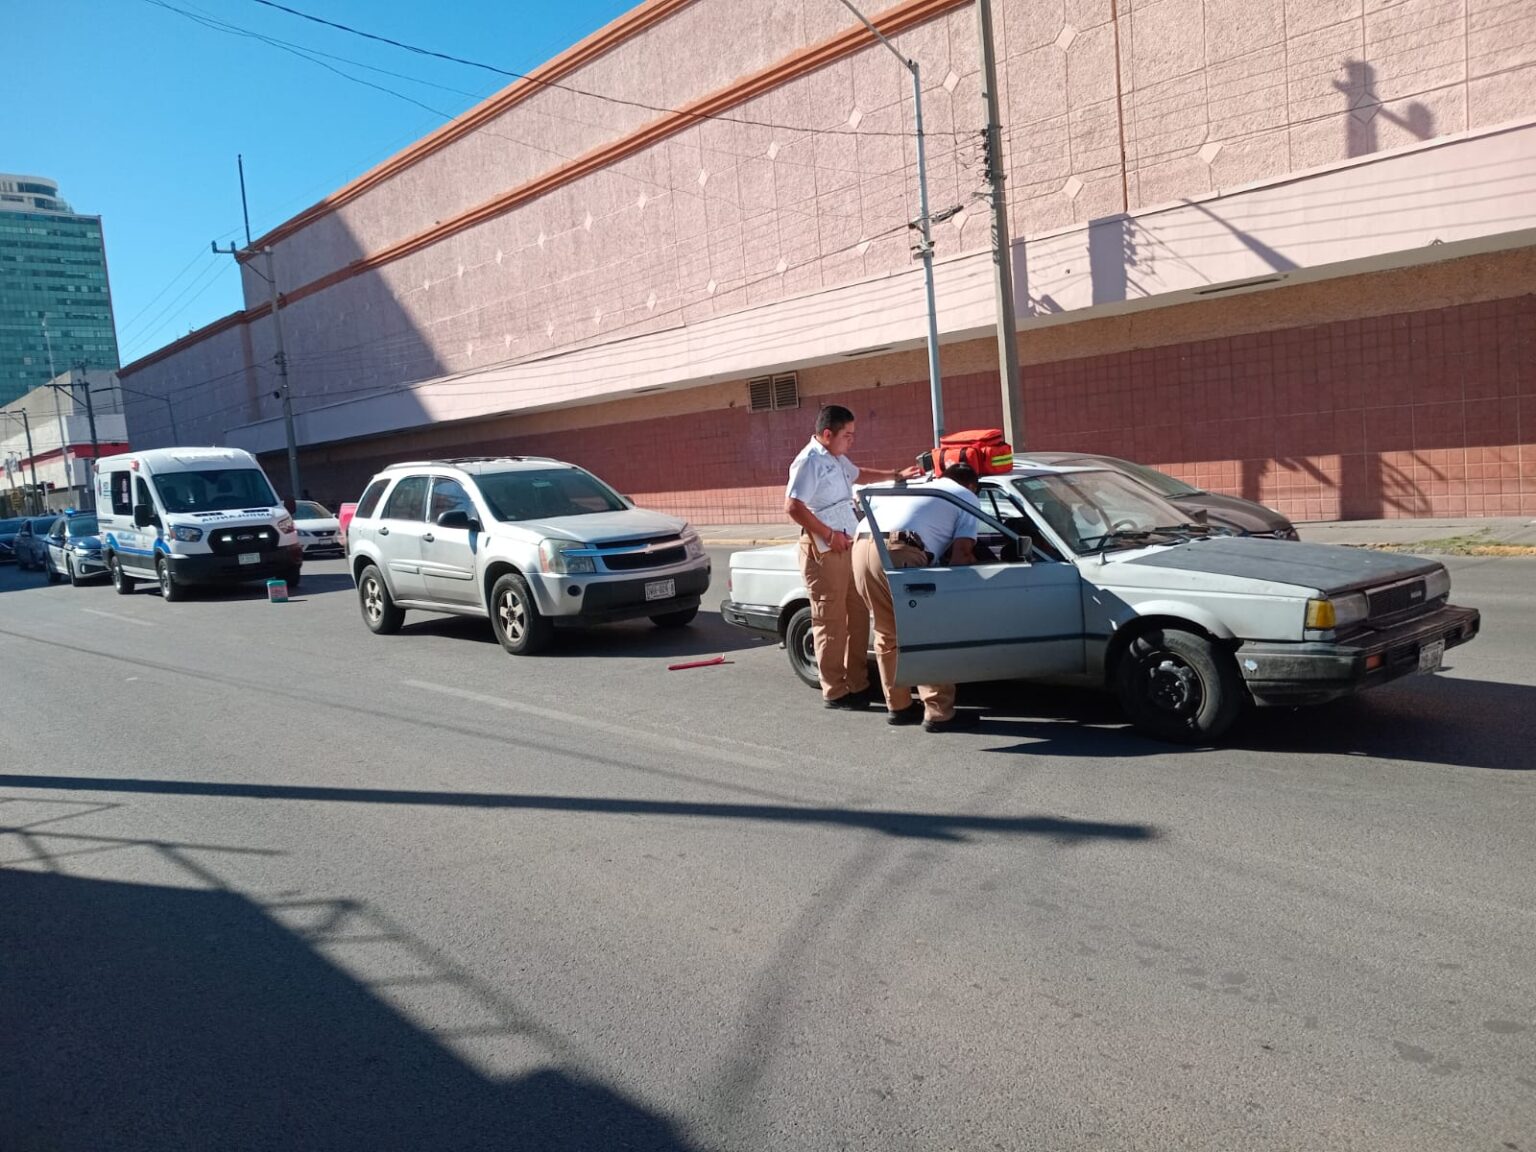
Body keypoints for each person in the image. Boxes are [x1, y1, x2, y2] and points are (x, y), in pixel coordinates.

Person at [785, 404, 921, 710]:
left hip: (847, 545)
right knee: (830, 621)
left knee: (858, 616)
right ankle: (834, 689)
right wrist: (829, 535)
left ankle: (857, 682)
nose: (852, 440)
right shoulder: (808, 461)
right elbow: (793, 506)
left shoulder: (835, 458)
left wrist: (894, 475)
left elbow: (859, 475)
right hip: (824, 550)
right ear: (828, 433)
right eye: (848, 435)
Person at [852, 463, 983, 732]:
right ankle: (938, 713)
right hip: (902, 549)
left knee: (887, 633)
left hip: (861, 547)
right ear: (971, 485)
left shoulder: (920, 486)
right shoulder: (966, 495)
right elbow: (962, 554)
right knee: (927, 632)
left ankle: (898, 707)